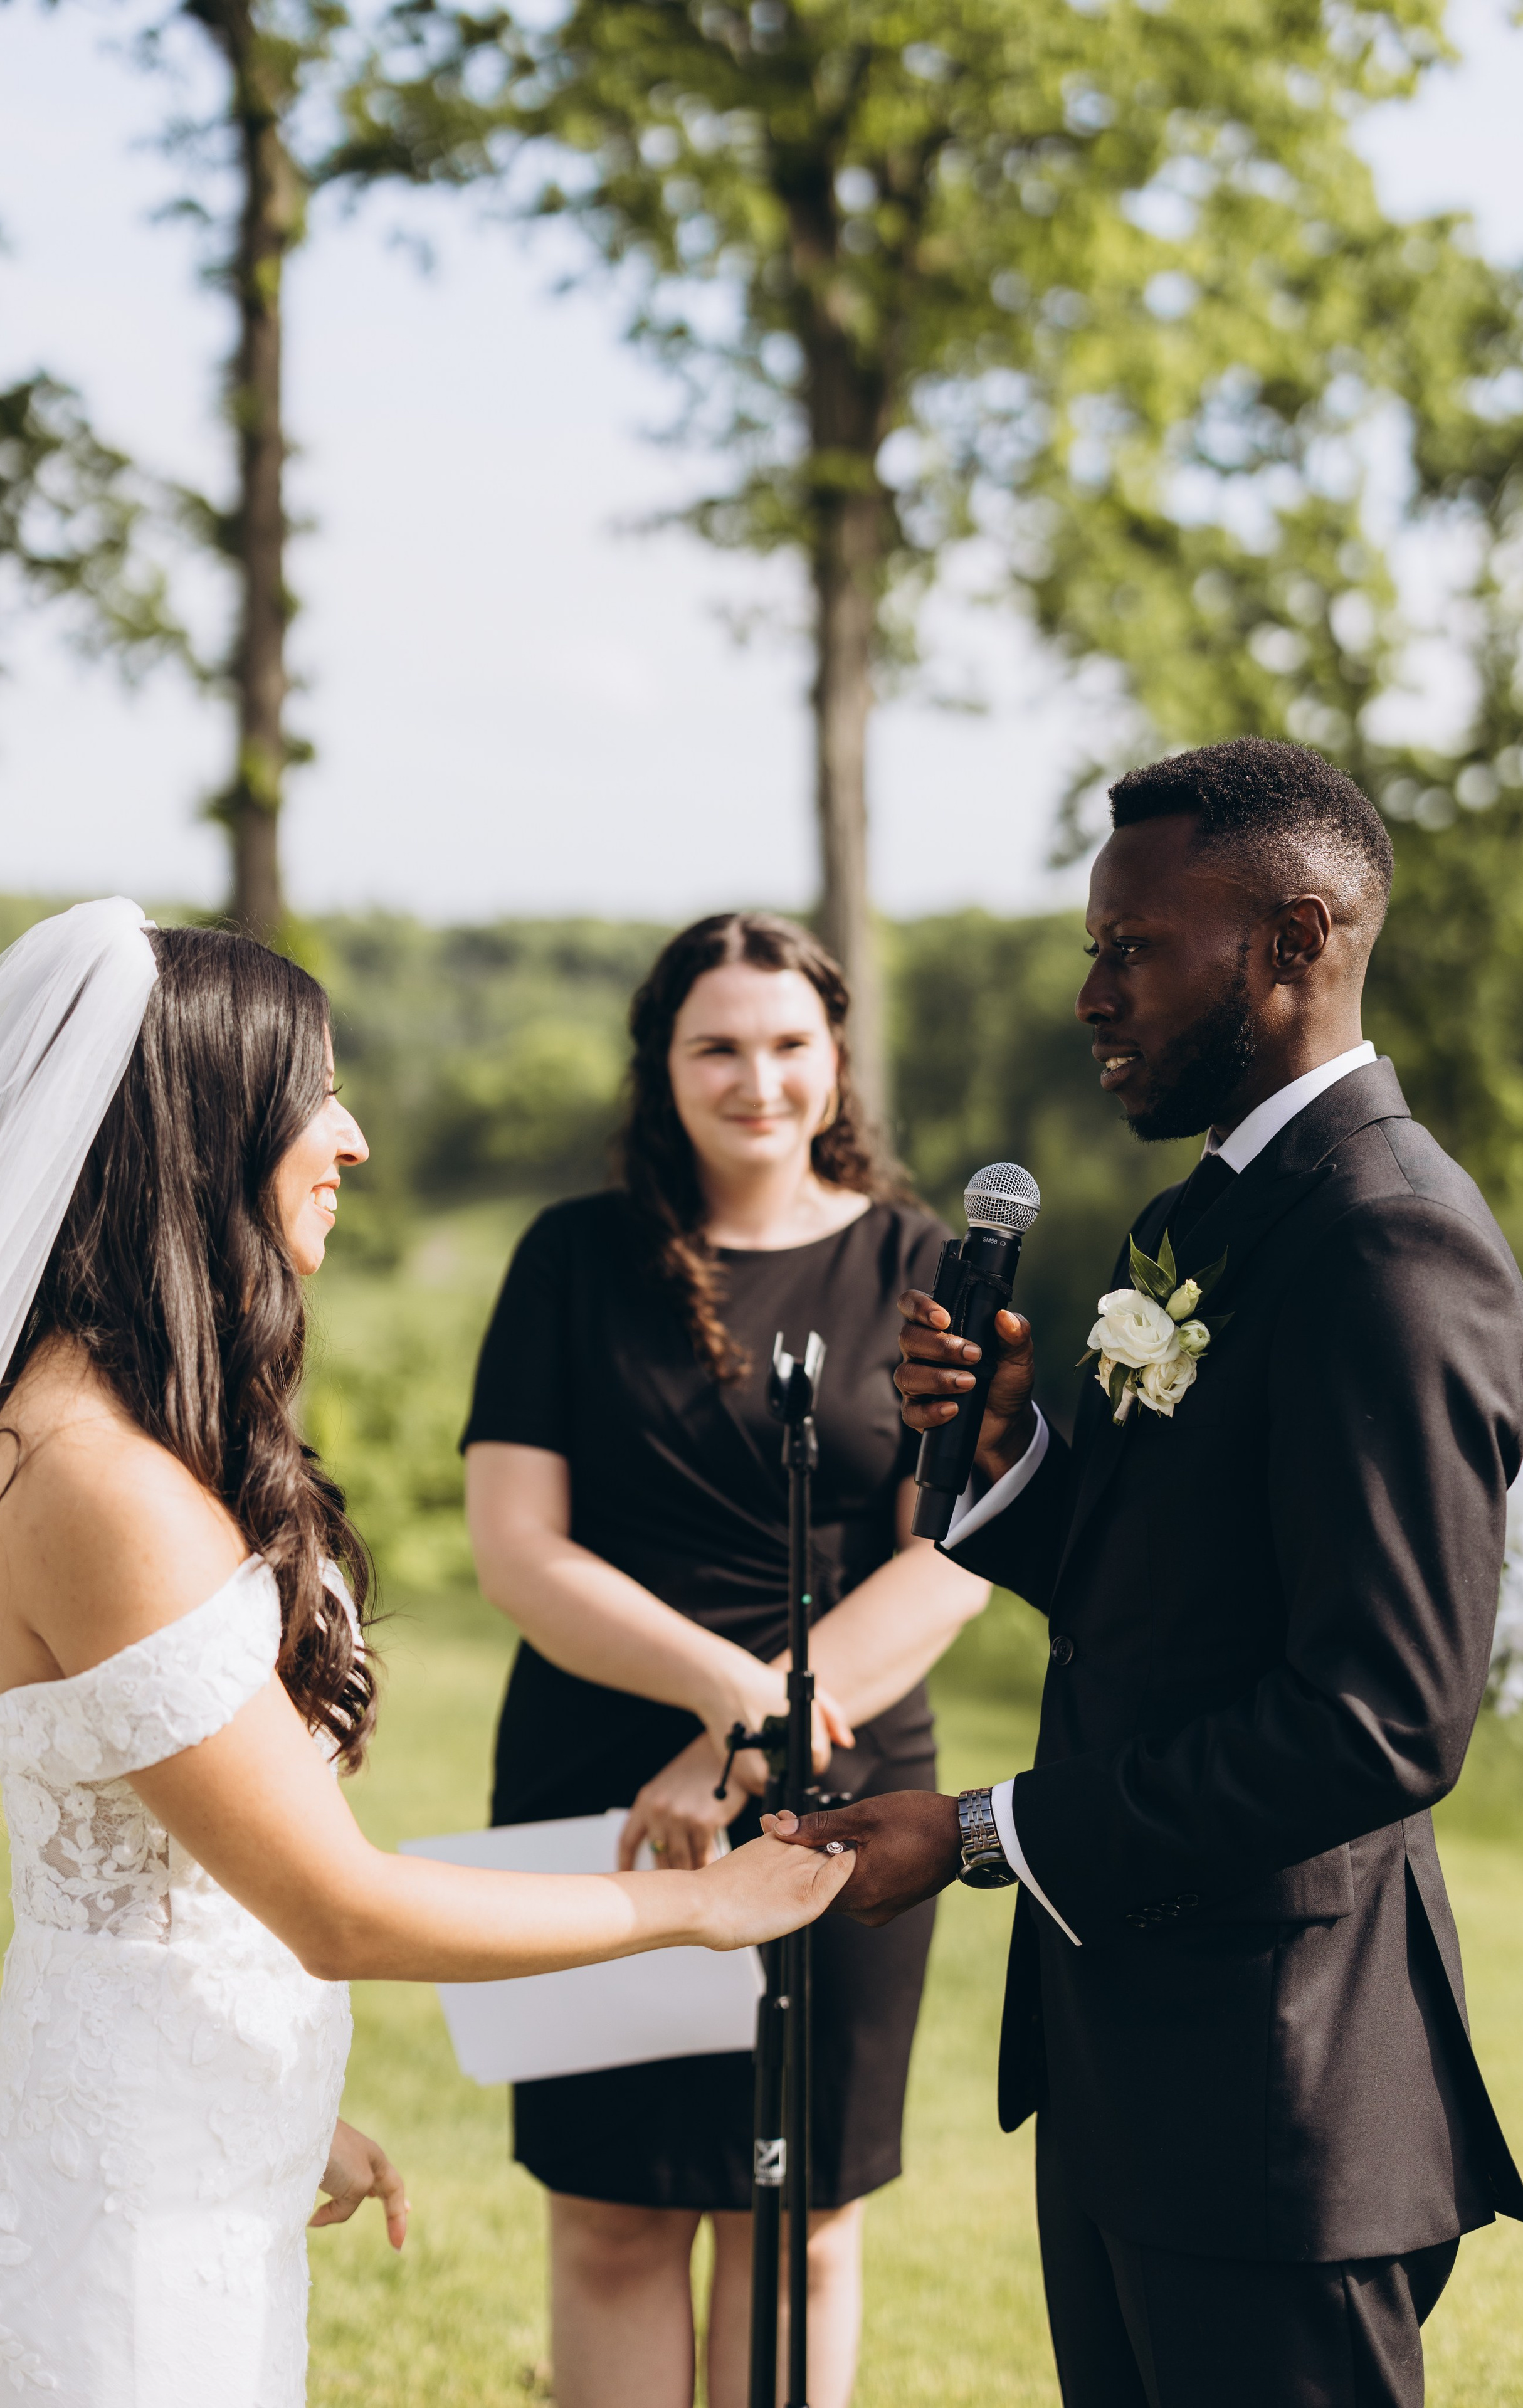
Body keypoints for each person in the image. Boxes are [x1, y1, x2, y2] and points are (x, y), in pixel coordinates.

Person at [0, 901, 851, 2408]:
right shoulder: (98, 1479)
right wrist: (697, 1908)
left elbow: (170, 1877)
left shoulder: (102, 1426)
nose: (349, 1139)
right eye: (316, 1095)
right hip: (122, 2241)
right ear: (200, 1127)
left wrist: (272, 2110)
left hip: (167, 2159)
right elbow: (337, 1907)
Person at [772, 739, 1523, 2408]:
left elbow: (1382, 1716)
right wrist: (1008, 1457)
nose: (1090, 995)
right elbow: (1176, 1602)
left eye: (1132, 949)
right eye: (1090, 949)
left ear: (1293, 940)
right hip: (1140, 2060)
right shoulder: (1209, 1218)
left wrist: (983, 1833)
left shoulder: (1390, 1241)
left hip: (1282, 2088)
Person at [463, 911, 988, 2408]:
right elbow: (517, 1549)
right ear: (661, 1064)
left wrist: (743, 1749)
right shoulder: (570, 1257)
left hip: (843, 1781)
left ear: (835, 1057)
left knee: (802, 2223)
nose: (756, 1080)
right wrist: (728, 1699)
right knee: (609, 2217)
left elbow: (946, 1560)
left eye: (787, 1044)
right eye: (717, 1048)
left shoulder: (927, 1268)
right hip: (595, 1766)